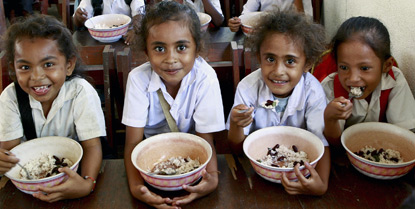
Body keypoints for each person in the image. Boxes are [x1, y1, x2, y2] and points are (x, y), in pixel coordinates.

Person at [122, 1, 225, 208]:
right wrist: (136, 188)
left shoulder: (205, 78)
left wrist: (212, 179)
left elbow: (206, 139)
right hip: (151, 162)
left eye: (181, 47)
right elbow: (133, 143)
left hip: (194, 161)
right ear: (146, 51)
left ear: (197, 48)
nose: (171, 59)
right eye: (159, 48)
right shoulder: (137, 79)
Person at [0, 15, 105, 202]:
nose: (37, 76)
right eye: (24, 67)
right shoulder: (10, 98)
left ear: (69, 65)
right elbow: (11, 151)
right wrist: (3, 160)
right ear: (13, 69)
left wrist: (87, 183)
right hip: (29, 185)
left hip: (74, 175)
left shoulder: (81, 93)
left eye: (48, 65)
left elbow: (92, 146)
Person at [226, 9, 330, 195]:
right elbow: (236, 147)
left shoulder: (313, 91)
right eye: (270, 59)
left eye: (290, 61)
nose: (278, 71)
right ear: (259, 57)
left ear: (307, 64)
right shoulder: (248, 88)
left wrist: (321, 185)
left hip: (298, 173)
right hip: (258, 175)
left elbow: (321, 143)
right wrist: (235, 124)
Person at [321, 16, 415, 147]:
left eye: (364, 68)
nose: (353, 78)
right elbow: (330, 143)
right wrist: (330, 119)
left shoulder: (394, 80)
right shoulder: (329, 88)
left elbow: (404, 133)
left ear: (386, 65)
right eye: (344, 67)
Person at [73, 0, 146, 45]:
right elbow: (79, 21)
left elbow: (139, 15)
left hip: (126, 39)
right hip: (98, 41)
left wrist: (136, 31)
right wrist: (78, 18)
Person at [228, 0, 313, 32]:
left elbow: (305, 23)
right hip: (265, 33)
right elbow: (247, 13)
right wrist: (236, 22)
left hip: (291, 34)